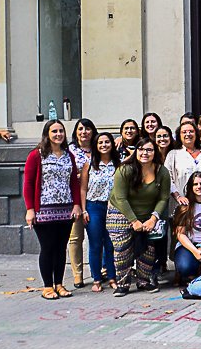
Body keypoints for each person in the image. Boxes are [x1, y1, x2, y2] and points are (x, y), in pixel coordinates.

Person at [24, 120, 82, 300]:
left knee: (61, 248)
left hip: (65, 210)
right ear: (47, 134)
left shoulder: (68, 155)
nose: (58, 134)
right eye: (54, 131)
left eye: (61, 131)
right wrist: (30, 209)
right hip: (43, 210)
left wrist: (76, 204)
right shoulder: (36, 155)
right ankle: (47, 287)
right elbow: (28, 183)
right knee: (48, 247)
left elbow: (74, 182)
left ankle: (59, 284)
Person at [107, 138, 171, 296]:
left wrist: (153, 218)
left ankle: (143, 281)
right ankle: (123, 284)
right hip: (120, 211)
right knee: (122, 248)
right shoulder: (124, 170)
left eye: (149, 150)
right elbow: (121, 198)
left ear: (155, 152)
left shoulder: (162, 171)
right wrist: (134, 221)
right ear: (136, 151)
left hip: (148, 214)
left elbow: (163, 198)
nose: (145, 153)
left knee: (148, 248)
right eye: (141, 149)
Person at [80, 132, 118, 292]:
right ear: (96, 145)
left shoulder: (118, 163)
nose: (104, 145)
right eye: (100, 142)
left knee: (111, 245)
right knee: (96, 244)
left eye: (107, 142)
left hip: (113, 208)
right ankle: (96, 279)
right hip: (94, 206)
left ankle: (112, 277)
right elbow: (83, 188)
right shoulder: (89, 163)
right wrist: (83, 210)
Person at [67, 118, 96, 288]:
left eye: (87, 128)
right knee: (75, 238)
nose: (84, 132)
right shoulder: (70, 150)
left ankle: (99, 271)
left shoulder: (98, 148)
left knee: (97, 236)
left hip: (95, 198)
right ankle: (77, 275)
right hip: (75, 199)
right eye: (80, 129)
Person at [165, 121, 201, 206]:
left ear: (196, 134)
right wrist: (178, 196)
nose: (188, 134)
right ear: (179, 135)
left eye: (191, 131)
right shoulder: (173, 154)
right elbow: (167, 178)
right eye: (184, 132)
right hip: (182, 203)